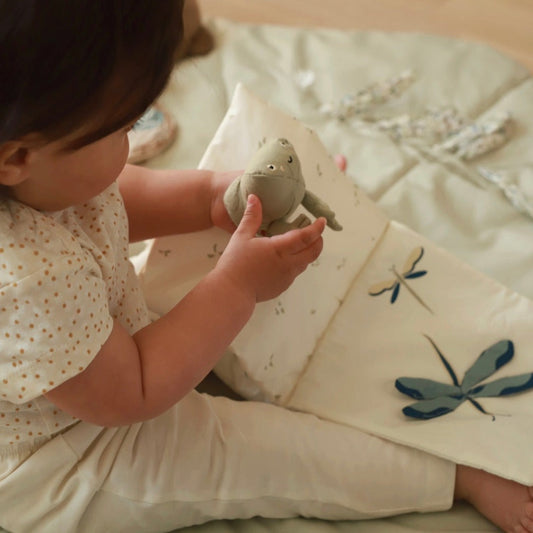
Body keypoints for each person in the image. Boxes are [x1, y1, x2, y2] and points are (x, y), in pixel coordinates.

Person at [0, 2, 532, 532]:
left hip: (87, 350)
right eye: (121, 130)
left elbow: (117, 197)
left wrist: (212, 197)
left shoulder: (40, 179)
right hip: (67, 455)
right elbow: (135, 388)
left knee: (186, 278)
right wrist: (237, 287)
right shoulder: (30, 280)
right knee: (268, 456)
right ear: (17, 157)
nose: (129, 146)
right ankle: (452, 474)